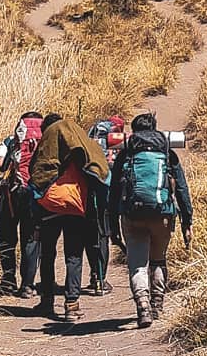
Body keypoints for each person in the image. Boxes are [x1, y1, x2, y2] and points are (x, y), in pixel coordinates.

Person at [108, 113, 193, 329]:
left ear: (133, 131)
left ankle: (143, 306)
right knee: (158, 260)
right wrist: (187, 221)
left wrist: (112, 226)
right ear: (155, 129)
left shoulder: (126, 154)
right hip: (162, 214)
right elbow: (181, 189)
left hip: (132, 216)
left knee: (137, 264)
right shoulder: (166, 152)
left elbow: (115, 191)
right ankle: (157, 304)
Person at [29, 113, 110, 322]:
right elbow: (99, 172)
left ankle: (47, 301)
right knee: (73, 256)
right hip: (77, 206)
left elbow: (35, 175)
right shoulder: (83, 146)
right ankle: (71, 305)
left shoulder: (46, 147)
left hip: (50, 206)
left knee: (47, 255)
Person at [0, 111, 43, 298]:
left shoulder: (10, 141)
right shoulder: (45, 142)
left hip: (10, 196)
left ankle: (8, 279)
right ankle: (28, 285)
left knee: (6, 236)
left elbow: (0, 164)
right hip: (34, 195)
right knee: (30, 239)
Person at [85, 115, 126, 295]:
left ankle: (95, 273)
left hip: (89, 193)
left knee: (90, 235)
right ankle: (100, 279)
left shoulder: (90, 138)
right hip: (109, 195)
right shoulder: (118, 140)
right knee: (103, 236)